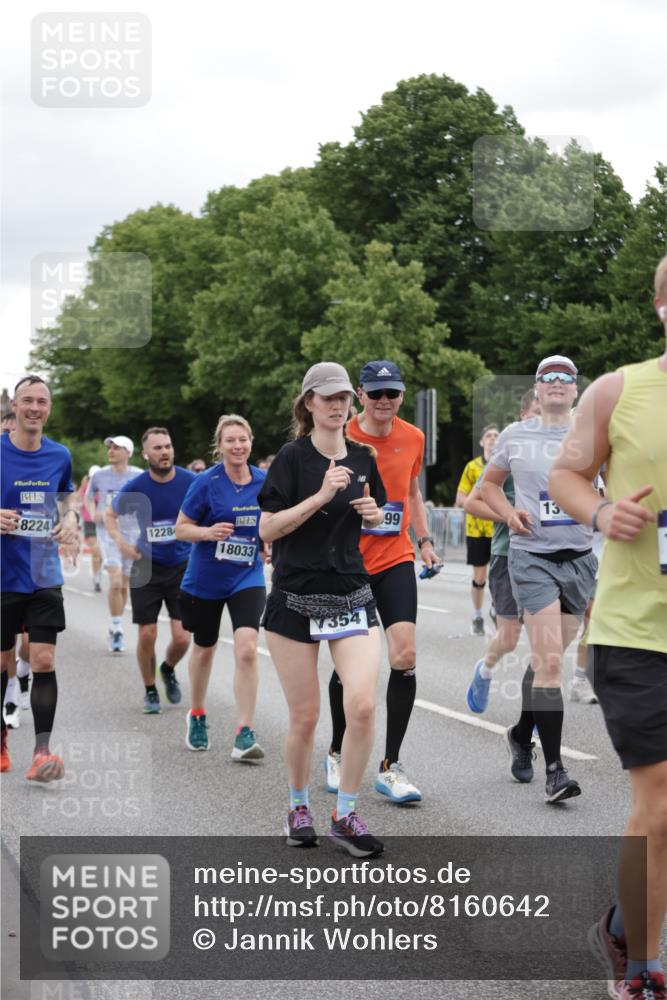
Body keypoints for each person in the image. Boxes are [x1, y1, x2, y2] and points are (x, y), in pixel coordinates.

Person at [549, 256, 667, 1000]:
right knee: (659, 795)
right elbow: (565, 476)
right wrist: (600, 512)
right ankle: (646, 964)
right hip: (635, 630)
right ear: (660, 306)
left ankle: (625, 919)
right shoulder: (617, 390)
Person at [258, 362, 386, 858]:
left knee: (362, 703)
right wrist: (320, 496)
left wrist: (375, 516)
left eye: (343, 398)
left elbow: (377, 512)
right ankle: (297, 805)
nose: (338, 406)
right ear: (308, 402)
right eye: (327, 397)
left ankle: (346, 813)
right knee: (307, 717)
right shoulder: (290, 459)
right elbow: (268, 531)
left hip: (350, 592)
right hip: (294, 596)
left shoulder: (363, 457)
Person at [480, 355, 597, 804]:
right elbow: (488, 487)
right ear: (536, 387)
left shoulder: (592, 436)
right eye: (547, 377)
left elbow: (612, 486)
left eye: (564, 377)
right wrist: (509, 513)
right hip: (532, 559)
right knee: (551, 665)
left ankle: (521, 731)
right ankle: (555, 771)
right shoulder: (515, 435)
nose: (555, 383)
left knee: (547, 660)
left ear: (574, 389)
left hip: (581, 560)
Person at [326, 359, 441, 804]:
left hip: (395, 556)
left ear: (401, 395)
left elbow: (411, 493)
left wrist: (426, 540)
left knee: (405, 654)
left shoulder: (413, 436)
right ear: (360, 395)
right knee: (350, 667)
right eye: (375, 394)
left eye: (392, 393)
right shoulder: (340, 437)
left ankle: (391, 765)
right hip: (348, 563)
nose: (384, 401)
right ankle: (336, 750)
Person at [0, 375, 79, 779]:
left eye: (42, 401)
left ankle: (42, 752)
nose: (34, 408)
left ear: (49, 408)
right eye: (27, 400)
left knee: (44, 658)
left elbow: (67, 495)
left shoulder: (59, 455)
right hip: (2, 576)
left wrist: (70, 518)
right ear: (14, 405)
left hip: (44, 572)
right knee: (2, 661)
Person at [176, 415, 266, 761]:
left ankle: (244, 732)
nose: (237, 446)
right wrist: (207, 532)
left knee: (246, 647)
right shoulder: (206, 482)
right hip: (206, 579)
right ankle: (197, 714)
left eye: (242, 439)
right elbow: (182, 528)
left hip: (247, 574)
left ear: (250, 441)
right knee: (205, 648)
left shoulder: (263, 481)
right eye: (230, 440)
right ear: (220, 446)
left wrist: (269, 539)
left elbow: (272, 521)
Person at [105, 428, 194, 714]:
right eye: (157, 448)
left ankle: (166, 669)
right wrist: (121, 542)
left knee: (182, 637)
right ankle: (150, 689)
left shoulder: (189, 480)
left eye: (168, 446)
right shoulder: (137, 486)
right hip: (146, 564)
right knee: (147, 634)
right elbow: (110, 514)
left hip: (181, 565)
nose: (165, 452)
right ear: (145, 454)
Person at [465, 390, 540, 715]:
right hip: (509, 553)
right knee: (509, 638)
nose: (545, 417)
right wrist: (509, 515)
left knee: (547, 642)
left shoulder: (567, 451)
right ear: (523, 415)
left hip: (548, 558)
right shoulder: (511, 450)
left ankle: (537, 714)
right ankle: (485, 669)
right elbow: (472, 502)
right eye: (537, 411)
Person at [86, 436, 142, 652]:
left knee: (124, 583)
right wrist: (93, 512)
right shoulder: (99, 475)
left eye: (117, 447)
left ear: (128, 452)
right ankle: (117, 627)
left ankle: (116, 623)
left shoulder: (138, 475)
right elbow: (89, 497)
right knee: (116, 578)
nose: (111, 450)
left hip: (132, 534)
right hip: (107, 532)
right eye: (110, 447)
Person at [456, 424, 499, 635]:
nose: (492, 439)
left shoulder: (505, 465)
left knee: (501, 576)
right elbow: (460, 498)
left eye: (495, 436)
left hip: (501, 530)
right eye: (488, 436)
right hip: (478, 530)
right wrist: (479, 505)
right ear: (482, 442)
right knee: (480, 577)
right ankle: (477, 615)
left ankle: (496, 609)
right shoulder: (473, 467)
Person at [79, 466, 102, 591]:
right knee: (96, 553)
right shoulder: (85, 490)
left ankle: (97, 573)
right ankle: (97, 581)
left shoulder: (105, 488)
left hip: (103, 524)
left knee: (102, 555)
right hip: (90, 523)